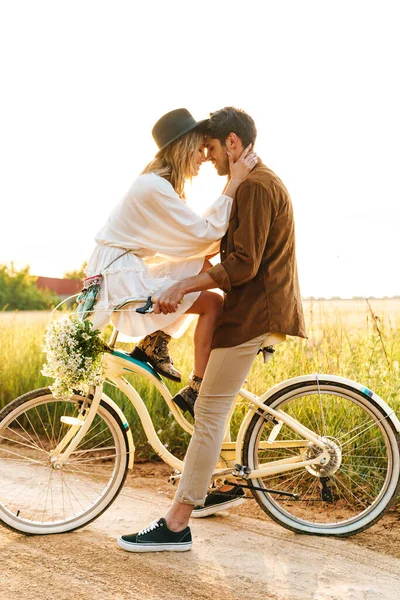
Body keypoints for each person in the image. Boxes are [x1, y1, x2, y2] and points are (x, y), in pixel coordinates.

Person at [117, 106, 307, 553]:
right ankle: (216, 488)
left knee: (208, 414)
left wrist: (185, 283)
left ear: (233, 143)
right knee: (213, 406)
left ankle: (176, 524)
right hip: (246, 312)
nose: (207, 155)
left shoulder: (257, 187)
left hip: (254, 314)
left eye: (212, 147)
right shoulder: (250, 184)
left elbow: (243, 263)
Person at [85, 108, 257, 404]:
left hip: (121, 269)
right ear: (183, 148)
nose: (204, 157)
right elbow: (202, 234)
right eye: (200, 149)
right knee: (211, 300)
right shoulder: (152, 187)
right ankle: (196, 388)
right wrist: (235, 182)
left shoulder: (155, 184)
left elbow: (196, 241)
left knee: (203, 276)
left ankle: (157, 344)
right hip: (119, 276)